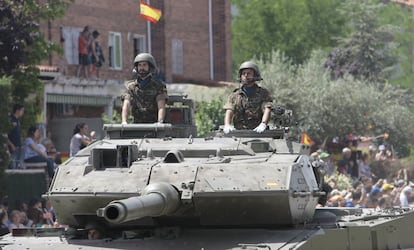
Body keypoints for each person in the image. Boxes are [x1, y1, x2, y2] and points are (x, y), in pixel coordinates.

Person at [223, 61, 273, 134]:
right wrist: (227, 124)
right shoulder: (235, 95)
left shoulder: (263, 93)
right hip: (239, 132)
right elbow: (229, 110)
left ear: (255, 75)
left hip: (258, 132)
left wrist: (263, 124)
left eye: (249, 73)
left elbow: (267, 109)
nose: (246, 75)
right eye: (243, 73)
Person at [121, 53, 168, 124]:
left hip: (153, 124)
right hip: (136, 124)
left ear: (150, 67)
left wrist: (160, 122)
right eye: (139, 65)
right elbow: (126, 104)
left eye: (144, 65)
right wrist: (124, 121)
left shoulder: (159, 85)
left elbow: (161, 106)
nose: (141, 68)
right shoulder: (130, 86)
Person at [7, 103, 24, 169]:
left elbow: (18, 134)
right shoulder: (11, 120)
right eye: (22, 110)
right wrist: (11, 145)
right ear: (17, 110)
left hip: (18, 147)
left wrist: (21, 144)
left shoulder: (18, 121)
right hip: (12, 147)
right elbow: (5, 134)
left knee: (18, 166)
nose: (23, 112)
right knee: (12, 166)